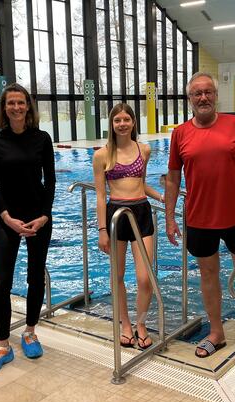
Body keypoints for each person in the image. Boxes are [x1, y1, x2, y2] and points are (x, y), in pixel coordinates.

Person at [165, 72, 235, 370]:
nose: (203, 97)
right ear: (189, 99)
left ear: (216, 96)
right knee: (208, 277)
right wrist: (169, 217)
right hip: (199, 218)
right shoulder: (180, 133)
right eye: (196, 93)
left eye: (208, 92)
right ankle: (217, 333)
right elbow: (174, 179)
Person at [0, 83, 56, 376]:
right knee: (2, 283)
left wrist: (45, 216)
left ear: (28, 106)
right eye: (11, 103)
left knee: (35, 277)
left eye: (21, 102)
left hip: (38, 218)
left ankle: (30, 331)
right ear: (4, 108)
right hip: (8, 219)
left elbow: (50, 181)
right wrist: (6, 216)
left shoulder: (43, 139)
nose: (16, 107)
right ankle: (2, 345)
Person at [93, 103, 163, 350]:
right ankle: (125, 324)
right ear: (111, 125)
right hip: (116, 216)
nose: (122, 124)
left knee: (145, 278)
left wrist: (162, 197)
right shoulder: (102, 155)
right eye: (117, 120)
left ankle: (141, 324)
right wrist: (102, 230)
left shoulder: (144, 150)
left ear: (134, 122)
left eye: (126, 119)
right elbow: (101, 196)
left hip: (142, 213)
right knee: (119, 275)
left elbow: (140, 184)